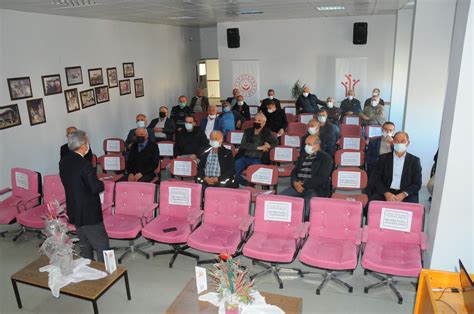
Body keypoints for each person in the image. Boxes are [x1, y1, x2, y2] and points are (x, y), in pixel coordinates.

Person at [59, 130, 109, 262]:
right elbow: (94, 187)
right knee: (101, 244)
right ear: (83, 146)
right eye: (87, 142)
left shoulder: (63, 162)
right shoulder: (85, 165)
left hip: (74, 209)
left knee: (84, 242)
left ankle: (87, 266)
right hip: (89, 212)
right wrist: (101, 183)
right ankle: (108, 272)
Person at [280, 135, 333, 221]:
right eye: (305, 144)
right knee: (279, 199)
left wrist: (303, 185)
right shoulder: (303, 155)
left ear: (317, 145)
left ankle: (304, 229)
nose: (306, 146)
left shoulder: (326, 158)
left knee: (306, 212)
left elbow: (321, 178)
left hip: (315, 189)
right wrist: (294, 182)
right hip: (297, 186)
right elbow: (294, 171)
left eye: (309, 144)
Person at [370, 131, 422, 203]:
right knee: (372, 206)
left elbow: (417, 183)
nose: (399, 144)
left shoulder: (414, 161)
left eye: (402, 141)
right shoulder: (383, 158)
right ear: (393, 142)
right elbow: (376, 179)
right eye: (396, 141)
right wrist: (386, 193)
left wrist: (403, 194)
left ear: (408, 143)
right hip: (386, 191)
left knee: (413, 210)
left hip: (405, 193)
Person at [235, 113, 278, 186]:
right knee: (233, 171)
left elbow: (276, 142)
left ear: (264, 123)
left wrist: (269, 145)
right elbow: (243, 145)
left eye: (259, 121)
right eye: (255, 120)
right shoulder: (247, 131)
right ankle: (246, 184)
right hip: (244, 157)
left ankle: (251, 184)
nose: (256, 122)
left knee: (254, 174)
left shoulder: (267, 133)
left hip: (257, 158)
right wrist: (258, 147)